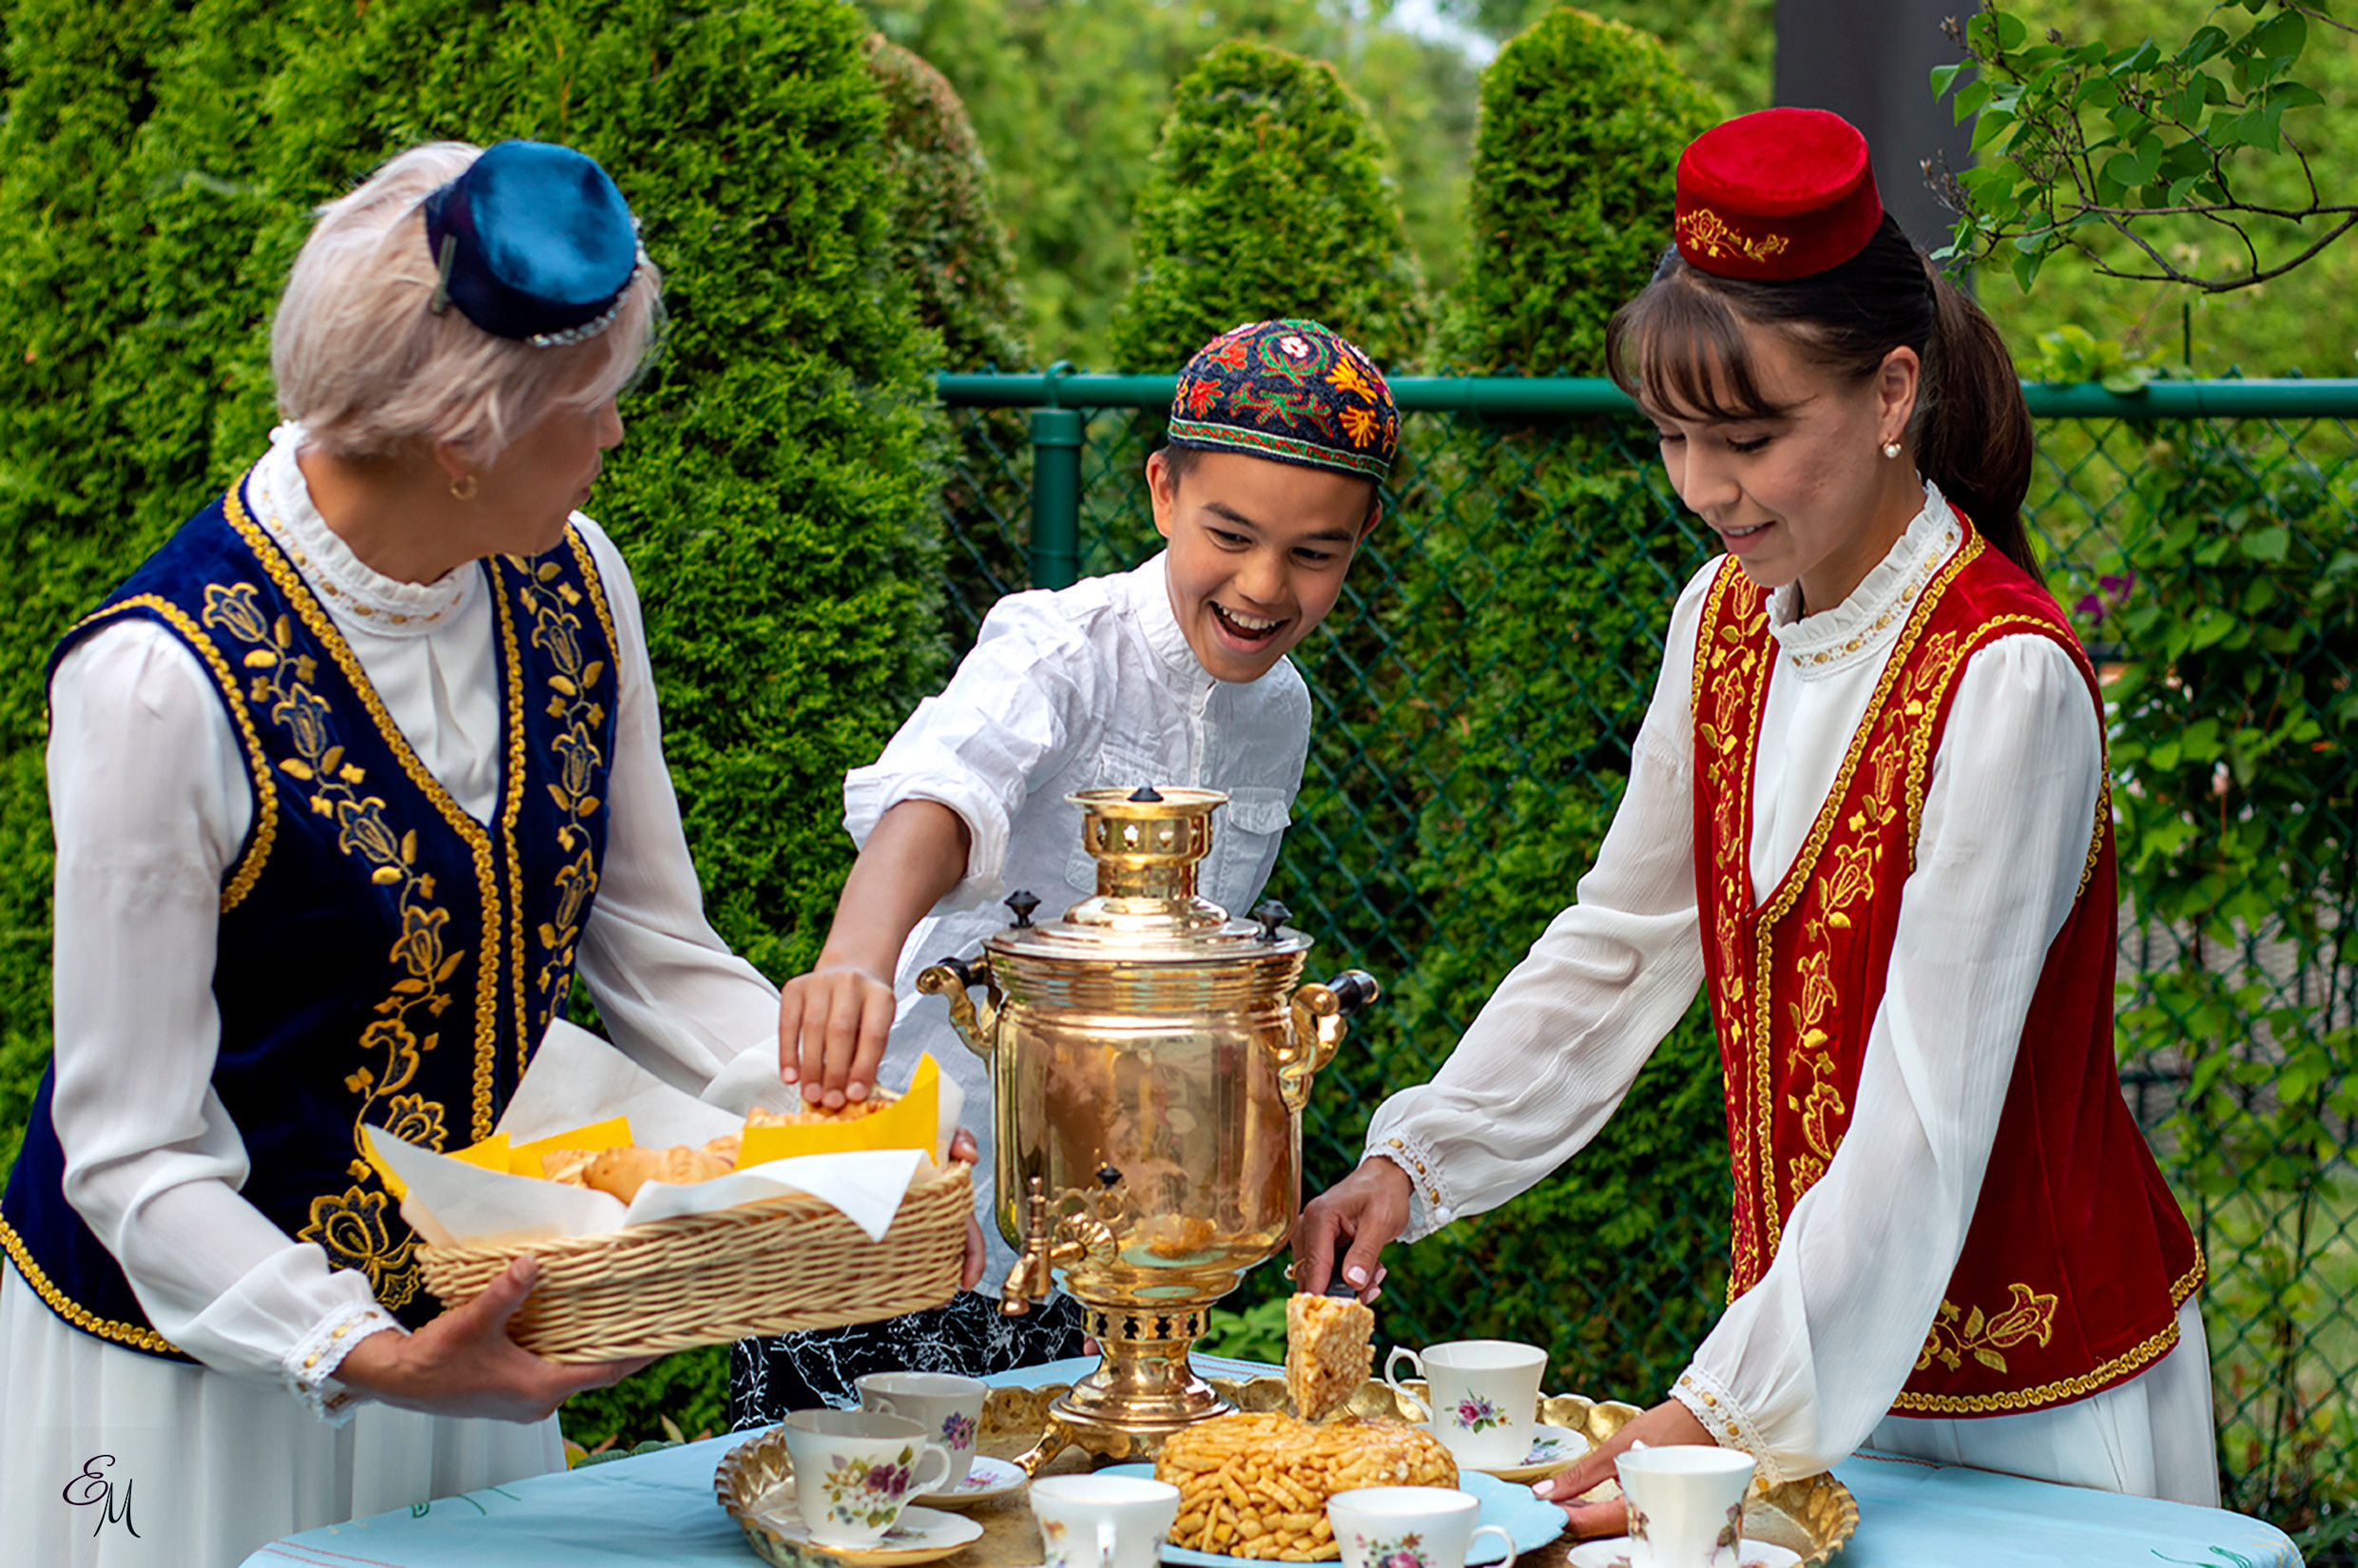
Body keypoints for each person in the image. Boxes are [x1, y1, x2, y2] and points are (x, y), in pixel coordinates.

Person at [0, 140, 979, 1568]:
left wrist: (862, 1128)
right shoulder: (158, 683)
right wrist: (357, 1347)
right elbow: (132, 1154)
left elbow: (655, 957)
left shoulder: (576, 581)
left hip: (489, 1336)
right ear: (464, 437)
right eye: (591, 410)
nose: (616, 441)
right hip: (195, 1374)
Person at [1295, 107, 2214, 1526]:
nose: (1702, 488)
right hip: (1804, 1370)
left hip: (2034, 1402)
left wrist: (1712, 1415)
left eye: (1748, 436)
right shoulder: (1723, 619)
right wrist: (1419, 1157)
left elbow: (1925, 1111)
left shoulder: (2004, 678)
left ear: (1893, 392)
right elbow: (1624, 938)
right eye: (1670, 435)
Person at [732, 319, 1398, 1424]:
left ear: (1360, 537)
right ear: (1160, 492)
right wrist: (855, 956)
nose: (1262, 584)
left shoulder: (1281, 712)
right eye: (1226, 534)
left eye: (1313, 554)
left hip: (1094, 1248)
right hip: (907, 1201)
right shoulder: (1056, 646)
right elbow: (946, 793)